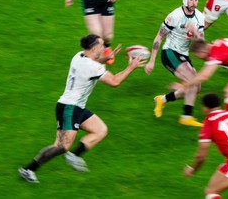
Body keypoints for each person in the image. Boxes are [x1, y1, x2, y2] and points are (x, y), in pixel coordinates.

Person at [18, 34, 146, 183]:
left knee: (100, 130)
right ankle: (28, 170)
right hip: (69, 108)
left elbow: (94, 61)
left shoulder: (79, 56)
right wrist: (131, 66)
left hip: (76, 107)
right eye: (102, 45)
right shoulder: (92, 67)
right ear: (93, 48)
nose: (104, 48)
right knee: (61, 146)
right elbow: (114, 81)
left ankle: (75, 155)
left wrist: (106, 58)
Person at [145, 0, 205, 127]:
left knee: (196, 88)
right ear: (185, 0)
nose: (194, 3)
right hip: (170, 52)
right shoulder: (174, 16)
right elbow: (159, 37)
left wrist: (195, 31)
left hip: (183, 54)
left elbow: (201, 43)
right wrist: (151, 61)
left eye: (196, 0)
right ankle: (186, 116)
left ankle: (163, 100)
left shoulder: (200, 17)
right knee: (192, 82)